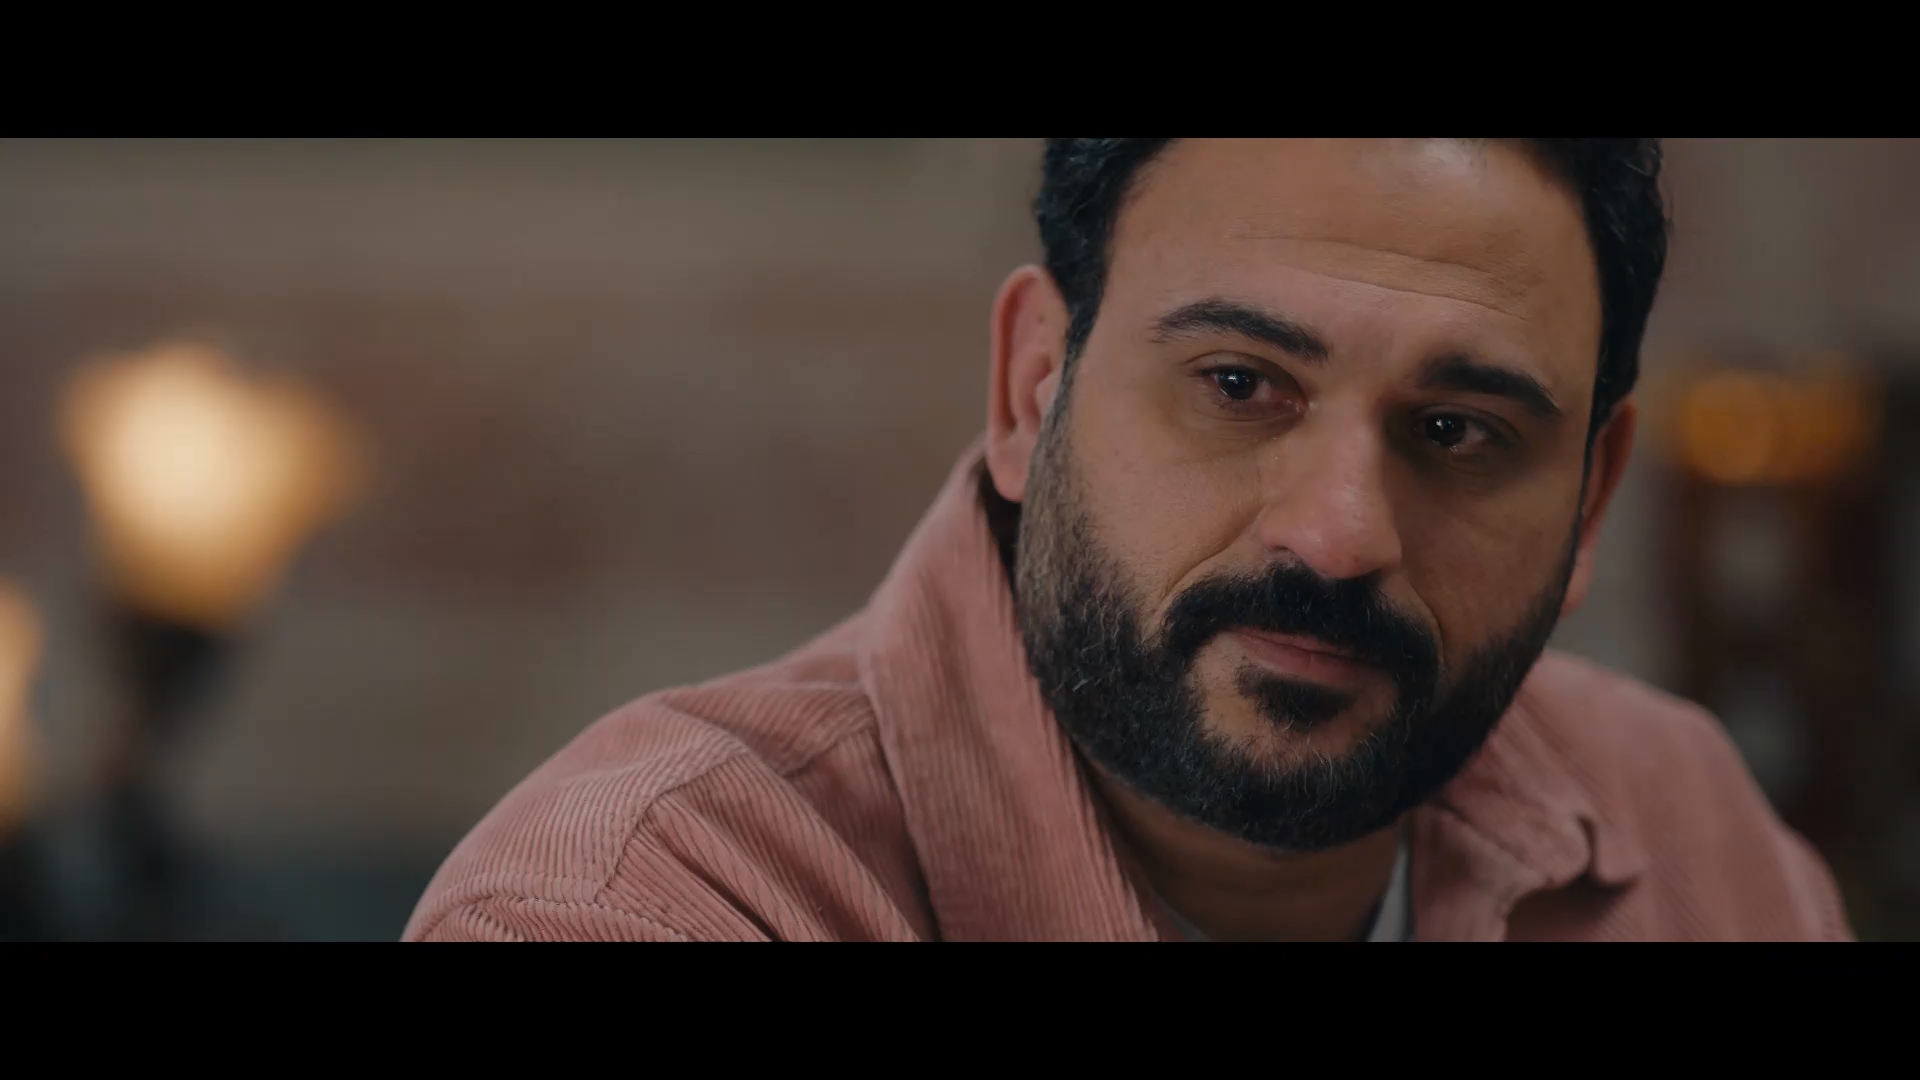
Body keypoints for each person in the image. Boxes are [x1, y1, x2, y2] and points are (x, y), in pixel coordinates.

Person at [404, 139, 1853, 942]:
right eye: (1240, 385)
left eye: (1456, 430)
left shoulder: (1688, 837)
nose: (1338, 535)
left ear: (1591, 500)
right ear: (1033, 387)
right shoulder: (645, 904)